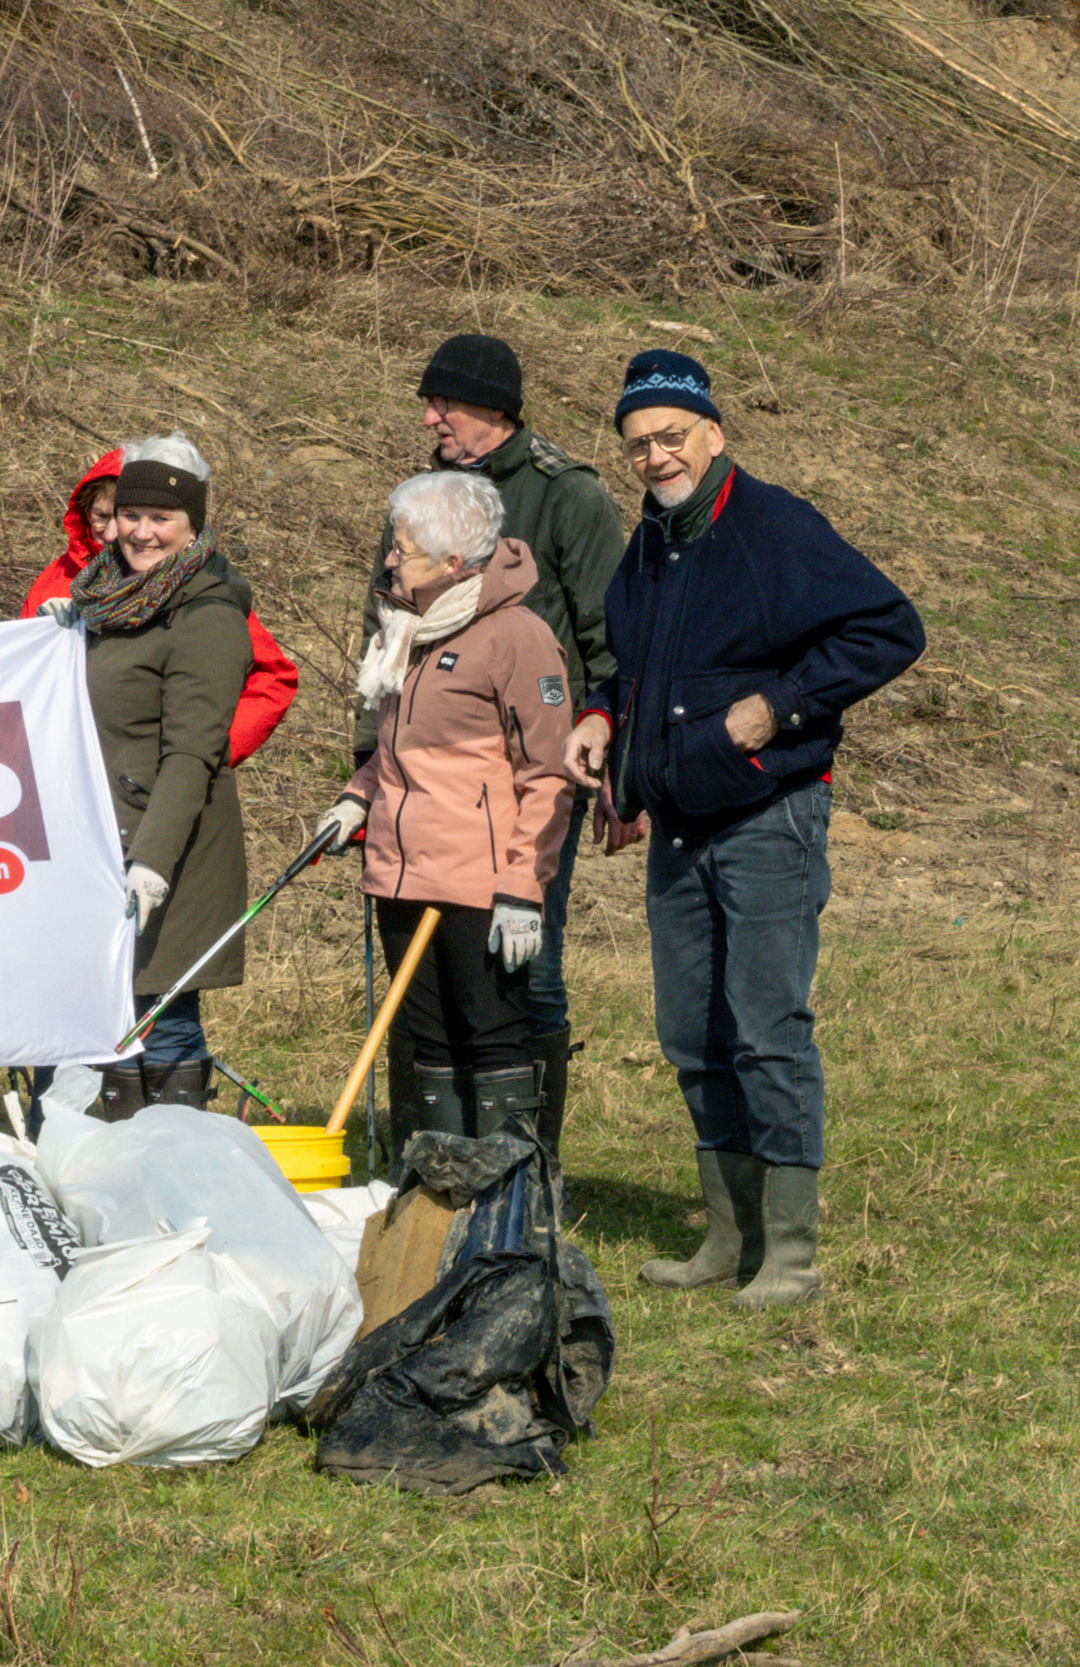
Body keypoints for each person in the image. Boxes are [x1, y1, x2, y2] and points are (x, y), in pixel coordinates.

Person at [565, 350, 923, 1310]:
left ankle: (792, 1254)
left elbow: (890, 628)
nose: (655, 456)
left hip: (770, 812)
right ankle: (730, 1235)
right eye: (638, 444)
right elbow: (639, 671)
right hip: (679, 820)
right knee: (691, 1030)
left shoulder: (776, 526)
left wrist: (780, 706)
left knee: (767, 1026)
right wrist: (604, 718)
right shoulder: (649, 545)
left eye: (670, 436)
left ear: (713, 433)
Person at [352, 335, 629, 1154]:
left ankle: (527, 1168)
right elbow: (385, 631)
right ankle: (435, 1162)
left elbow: (609, 639)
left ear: (496, 410)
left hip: (530, 777)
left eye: (446, 404)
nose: (431, 416)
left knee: (525, 969)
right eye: (429, 404)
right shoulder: (422, 500)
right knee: (428, 986)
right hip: (414, 790)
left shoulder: (566, 495)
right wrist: (368, 769)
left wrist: (607, 746)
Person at [313, 472, 575, 1160]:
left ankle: (505, 1198)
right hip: (401, 875)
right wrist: (357, 795)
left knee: (488, 1038)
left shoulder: (518, 636)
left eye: (403, 549)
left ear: (454, 564)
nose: (390, 559)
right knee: (426, 1042)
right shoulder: (411, 630)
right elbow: (404, 750)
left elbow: (549, 774)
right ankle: (436, 1202)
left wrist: (524, 887)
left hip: (480, 887)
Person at [57, 435, 252, 1117]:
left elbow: (193, 752)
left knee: (159, 1011)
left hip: (168, 851)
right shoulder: (108, 598)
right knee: (100, 1013)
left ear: (192, 525)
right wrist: (63, 639)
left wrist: (153, 863)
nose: (141, 531)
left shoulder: (207, 612)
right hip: (101, 842)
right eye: (130, 515)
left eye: (161, 519)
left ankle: (176, 1168)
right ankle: (105, 1171)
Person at [23, 447, 301, 765]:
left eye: (122, 516)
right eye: (102, 516)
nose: (113, 533)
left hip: (145, 779)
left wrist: (198, 756)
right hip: (61, 766)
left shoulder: (188, 585)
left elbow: (273, 679)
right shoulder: (55, 578)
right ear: (84, 510)